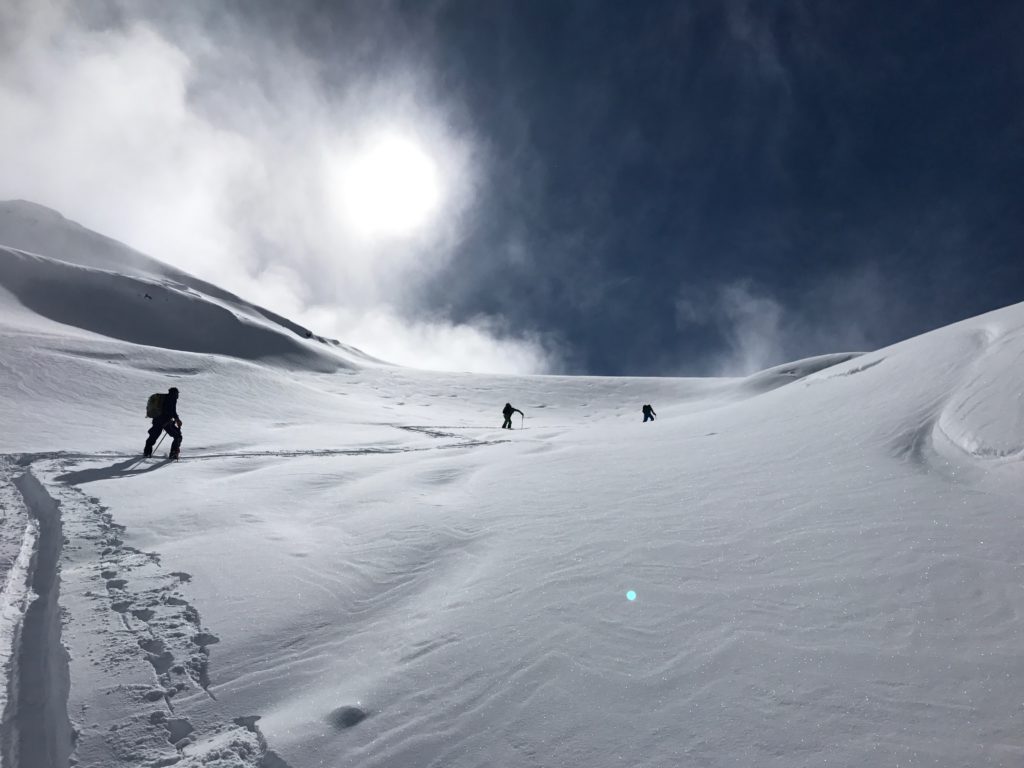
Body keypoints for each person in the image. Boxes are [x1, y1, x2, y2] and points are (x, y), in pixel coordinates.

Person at [144, 387, 183, 459]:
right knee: (178, 436)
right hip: (166, 422)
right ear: (176, 393)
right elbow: (171, 411)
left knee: (153, 436)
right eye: (178, 394)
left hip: (157, 421)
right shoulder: (172, 398)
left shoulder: (165, 397)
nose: (178, 395)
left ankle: (147, 453)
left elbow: (171, 411)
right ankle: (173, 453)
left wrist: (176, 419)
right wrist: (176, 419)